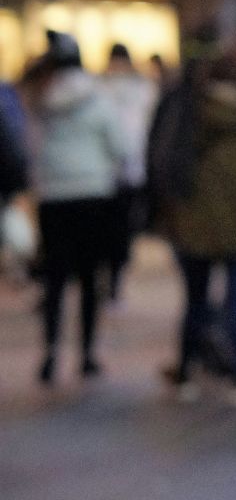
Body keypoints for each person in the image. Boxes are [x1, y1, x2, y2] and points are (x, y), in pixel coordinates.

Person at [151, 53, 236, 402]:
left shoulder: (191, 112)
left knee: (195, 300)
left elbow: (168, 163)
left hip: (195, 223)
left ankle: (186, 372)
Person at [26, 32, 129, 384]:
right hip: (93, 194)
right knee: (89, 279)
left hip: (53, 197)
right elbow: (120, 146)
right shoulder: (98, 98)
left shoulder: (40, 100)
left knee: (54, 281)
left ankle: (51, 352)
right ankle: (86, 354)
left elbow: (30, 147)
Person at [98, 43, 158, 301]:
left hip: (117, 171)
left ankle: (114, 277)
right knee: (118, 229)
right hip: (122, 171)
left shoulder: (102, 90)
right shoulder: (141, 90)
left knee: (117, 229)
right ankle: (113, 277)